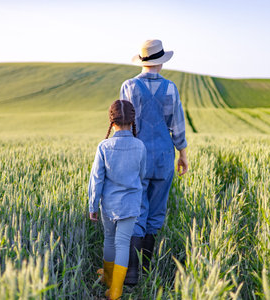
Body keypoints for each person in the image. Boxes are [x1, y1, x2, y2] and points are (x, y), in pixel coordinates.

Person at [120, 39, 188, 285]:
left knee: (137, 211)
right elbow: (177, 125)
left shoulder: (128, 86)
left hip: (136, 157)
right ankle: (147, 268)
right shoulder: (170, 88)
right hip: (162, 157)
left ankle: (132, 273)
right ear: (161, 62)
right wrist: (182, 153)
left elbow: (123, 124)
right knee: (156, 212)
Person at [88, 100, 146, 300]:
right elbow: (142, 175)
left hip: (109, 206)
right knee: (123, 244)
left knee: (109, 241)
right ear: (132, 122)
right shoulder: (140, 146)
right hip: (130, 205)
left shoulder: (104, 146)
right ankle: (116, 291)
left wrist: (93, 205)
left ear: (112, 123)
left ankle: (107, 277)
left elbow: (96, 179)